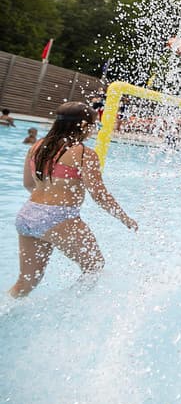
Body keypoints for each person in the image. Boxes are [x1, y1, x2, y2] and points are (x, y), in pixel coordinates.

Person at [8, 102, 138, 298]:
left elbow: (28, 184)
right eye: (94, 125)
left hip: (28, 214)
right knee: (94, 268)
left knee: (25, 283)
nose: (94, 129)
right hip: (57, 217)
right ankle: (67, 311)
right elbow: (99, 195)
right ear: (84, 126)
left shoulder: (36, 147)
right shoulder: (84, 154)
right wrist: (124, 218)